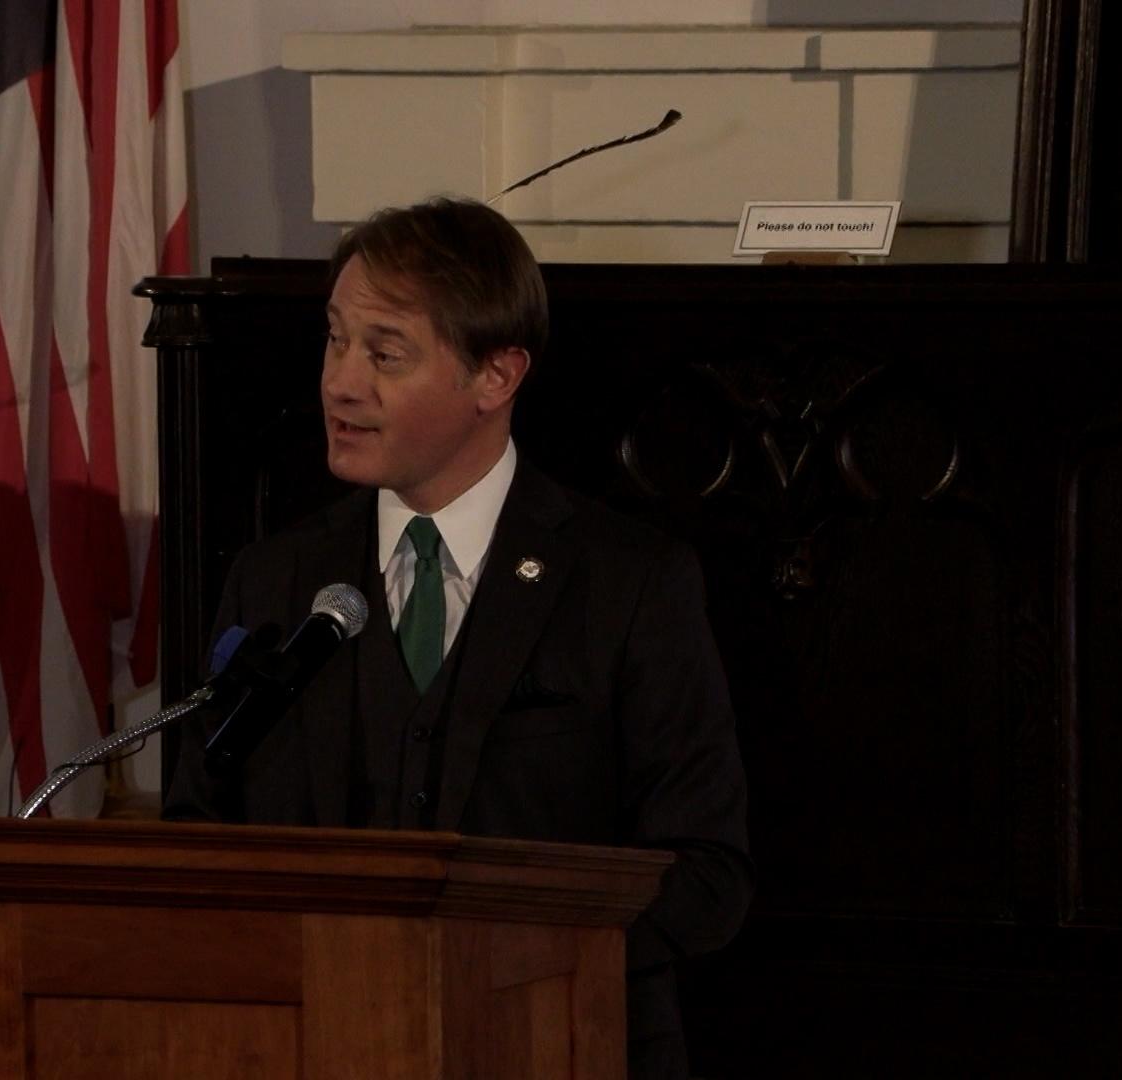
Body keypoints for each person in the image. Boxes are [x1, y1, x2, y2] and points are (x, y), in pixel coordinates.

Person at [163, 196, 750, 1079]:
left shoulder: (630, 583)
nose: (340, 383)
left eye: (384, 354)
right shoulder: (275, 579)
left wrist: (506, 962)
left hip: (557, 1047)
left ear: (495, 376)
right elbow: (198, 834)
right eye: (335, 340)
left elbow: (708, 875)